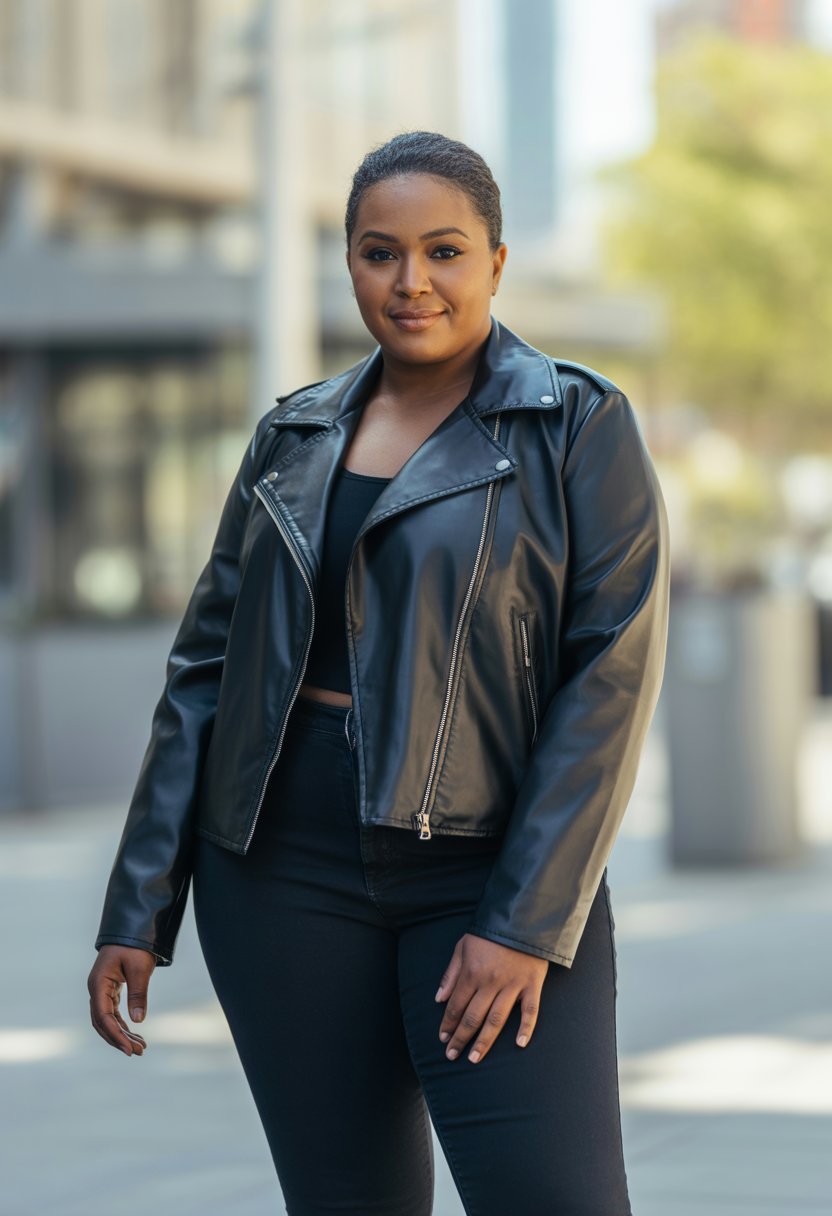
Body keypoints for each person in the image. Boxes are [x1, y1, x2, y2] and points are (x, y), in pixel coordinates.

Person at [88, 130, 670, 1215]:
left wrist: (523, 922)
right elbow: (204, 671)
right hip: (280, 872)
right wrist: (140, 905)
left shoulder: (575, 424)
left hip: (484, 868)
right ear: (348, 263)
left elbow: (608, 681)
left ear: (495, 260)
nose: (411, 282)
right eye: (378, 252)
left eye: (444, 251)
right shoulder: (292, 435)